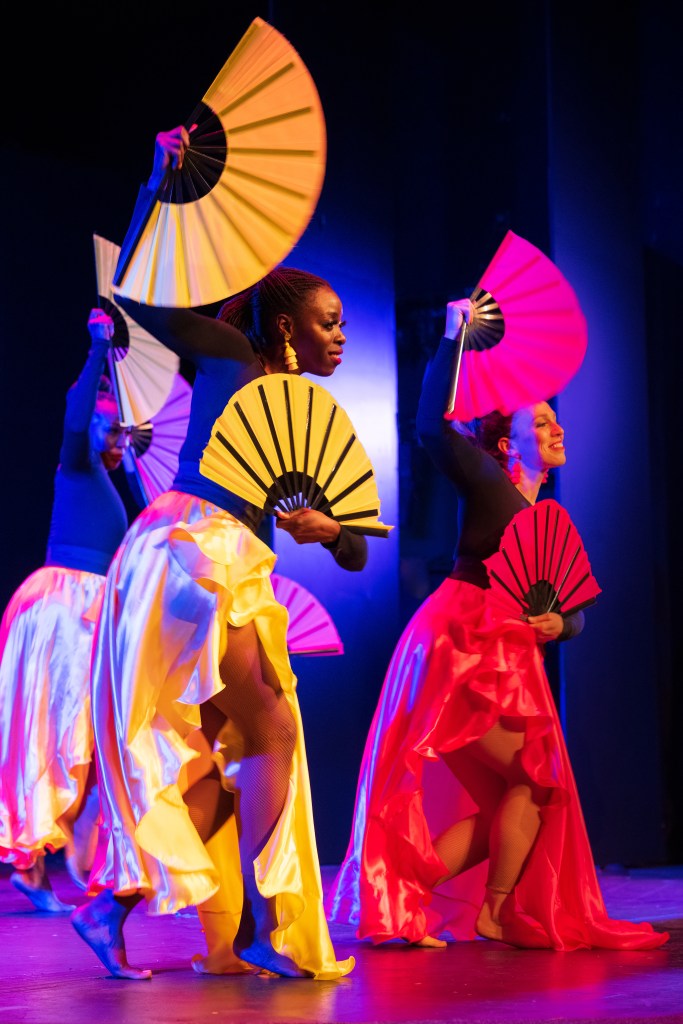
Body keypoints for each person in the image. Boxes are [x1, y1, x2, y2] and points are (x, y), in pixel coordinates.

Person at [71, 125, 367, 981]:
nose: (340, 338)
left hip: (199, 560)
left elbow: (356, 549)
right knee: (273, 728)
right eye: (328, 323)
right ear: (287, 325)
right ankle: (266, 929)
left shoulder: (292, 411)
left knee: (218, 759)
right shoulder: (233, 356)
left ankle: (112, 909)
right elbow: (139, 296)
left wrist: (331, 532)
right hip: (199, 553)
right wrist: (155, 186)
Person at [325, 298, 670, 952]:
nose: (556, 429)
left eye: (554, 420)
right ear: (508, 444)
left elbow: (572, 609)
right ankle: (488, 910)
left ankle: (408, 891)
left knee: (518, 795)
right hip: (462, 645)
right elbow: (430, 428)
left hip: (505, 652)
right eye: (540, 422)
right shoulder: (489, 482)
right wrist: (451, 336)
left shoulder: (539, 515)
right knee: (535, 778)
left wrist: (559, 625)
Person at [0, 309, 128, 912]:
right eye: (112, 427)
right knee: (56, 733)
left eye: (124, 429)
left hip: (89, 609)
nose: (120, 436)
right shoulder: (76, 464)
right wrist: (98, 348)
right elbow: (76, 421)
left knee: (88, 738)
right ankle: (33, 864)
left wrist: (120, 444)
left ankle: (71, 849)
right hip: (65, 607)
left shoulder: (105, 478)